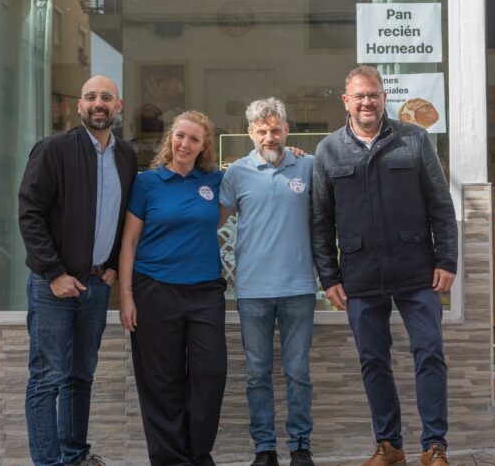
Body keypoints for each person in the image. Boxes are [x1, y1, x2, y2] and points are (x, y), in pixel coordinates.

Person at [311, 66, 458, 466]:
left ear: (383, 97)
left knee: (429, 351)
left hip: (416, 270)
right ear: (346, 101)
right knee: (373, 359)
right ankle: (389, 445)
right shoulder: (329, 151)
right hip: (360, 274)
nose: (367, 102)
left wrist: (447, 259)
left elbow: (441, 205)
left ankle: (434, 446)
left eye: (373, 94)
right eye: (359, 96)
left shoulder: (414, 139)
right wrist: (329, 276)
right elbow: (321, 219)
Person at [19, 75, 137, 466]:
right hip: (52, 285)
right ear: (79, 106)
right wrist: (53, 273)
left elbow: (125, 217)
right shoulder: (53, 150)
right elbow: (30, 213)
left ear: (118, 107)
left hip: (95, 284)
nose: (98, 103)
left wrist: (112, 267)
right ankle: (48, 462)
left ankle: (74, 455)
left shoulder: (126, 156)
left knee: (80, 376)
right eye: (90, 97)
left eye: (106, 97)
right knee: (47, 378)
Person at [118, 111, 227, 466]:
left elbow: (255, 173)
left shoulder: (216, 181)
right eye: (180, 135)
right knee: (160, 381)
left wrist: (294, 155)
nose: (185, 143)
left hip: (205, 292)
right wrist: (126, 297)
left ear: (203, 146)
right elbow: (129, 243)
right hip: (154, 290)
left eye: (194, 139)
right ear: (171, 138)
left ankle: (198, 453)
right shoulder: (147, 182)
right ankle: (171, 459)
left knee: (209, 374)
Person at [219, 98, 318, 466]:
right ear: (250, 133)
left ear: (287, 129)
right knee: (257, 375)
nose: (270, 137)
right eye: (262, 131)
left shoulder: (307, 165)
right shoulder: (236, 174)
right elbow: (212, 223)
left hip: (299, 289)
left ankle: (300, 447)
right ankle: (264, 449)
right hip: (252, 291)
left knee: (298, 373)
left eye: (276, 130)